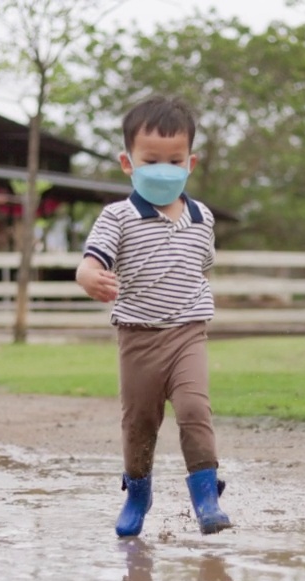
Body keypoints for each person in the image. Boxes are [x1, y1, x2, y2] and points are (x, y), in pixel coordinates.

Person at [76, 94, 232, 537]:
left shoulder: (202, 218)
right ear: (128, 163)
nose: (163, 168)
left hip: (188, 333)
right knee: (140, 422)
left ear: (190, 163)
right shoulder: (118, 217)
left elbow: (200, 267)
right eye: (151, 159)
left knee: (192, 408)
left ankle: (206, 497)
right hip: (138, 339)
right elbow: (91, 261)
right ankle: (138, 493)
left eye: (174, 159)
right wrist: (88, 276)